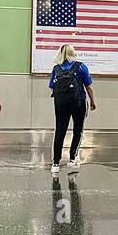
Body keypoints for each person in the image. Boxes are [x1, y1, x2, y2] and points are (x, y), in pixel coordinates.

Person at [48, 43, 96, 175]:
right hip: (78, 102)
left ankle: (56, 163)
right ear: (73, 53)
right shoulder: (81, 67)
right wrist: (92, 101)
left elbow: (51, 87)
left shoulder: (56, 69)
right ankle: (72, 159)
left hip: (61, 104)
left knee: (60, 131)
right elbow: (88, 86)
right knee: (77, 130)